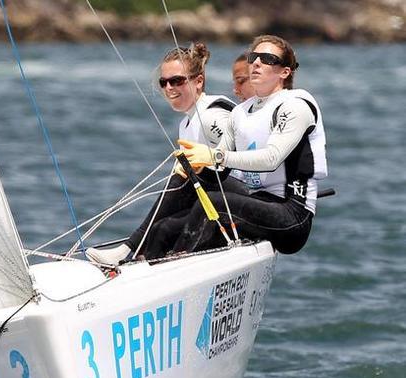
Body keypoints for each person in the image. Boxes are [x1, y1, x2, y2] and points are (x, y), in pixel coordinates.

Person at [169, 34, 328, 255]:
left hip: (292, 215)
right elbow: (220, 170)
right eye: (254, 57)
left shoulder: (295, 105)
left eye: (267, 58)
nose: (256, 62)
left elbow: (271, 159)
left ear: (285, 72)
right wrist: (195, 167)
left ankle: (175, 264)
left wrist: (214, 156)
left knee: (215, 204)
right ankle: (133, 254)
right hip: (259, 201)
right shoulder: (240, 112)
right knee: (177, 204)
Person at [86, 42, 240, 265]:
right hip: (212, 198)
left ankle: (128, 247)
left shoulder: (211, 116)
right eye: (164, 82)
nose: (169, 88)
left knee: (183, 175)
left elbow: (234, 156)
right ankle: (138, 260)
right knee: (162, 228)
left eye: (177, 80)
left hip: (239, 198)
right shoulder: (187, 123)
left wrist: (199, 165)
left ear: (198, 82)